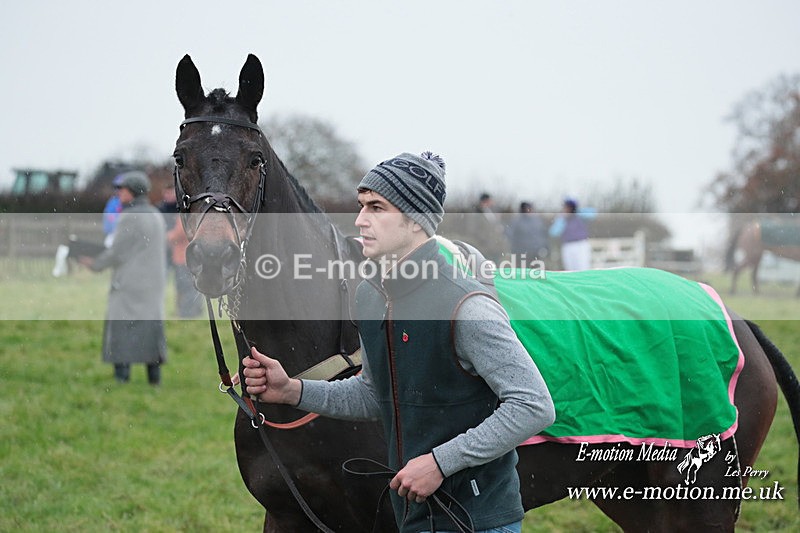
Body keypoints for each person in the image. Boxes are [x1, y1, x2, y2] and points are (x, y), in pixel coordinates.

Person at [241, 152, 555, 533]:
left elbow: (533, 405)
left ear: (415, 219)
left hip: (477, 520)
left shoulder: (466, 307)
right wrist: (292, 390)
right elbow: (374, 394)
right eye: (361, 206)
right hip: (413, 518)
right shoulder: (372, 297)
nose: (360, 221)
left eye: (377, 207)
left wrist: (440, 462)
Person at [78, 170, 168, 385]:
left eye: (122, 189)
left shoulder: (129, 216)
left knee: (121, 328)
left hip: (129, 283)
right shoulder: (155, 214)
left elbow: (117, 251)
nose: (119, 193)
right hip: (153, 283)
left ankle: (122, 378)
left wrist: (95, 264)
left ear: (133, 191)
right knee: (150, 328)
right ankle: (153, 379)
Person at [167, 215, 203, 318]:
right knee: (190, 287)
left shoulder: (185, 215)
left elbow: (180, 232)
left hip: (183, 258)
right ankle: (192, 311)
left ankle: (187, 312)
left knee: (186, 287)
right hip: (188, 257)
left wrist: (168, 236)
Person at [549, 197, 596, 271]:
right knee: (570, 269)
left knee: (583, 268)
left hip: (581, 245)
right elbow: (554, 232)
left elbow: (593, 214)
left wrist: (577, 212)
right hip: (567, 246)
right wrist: (562, 219)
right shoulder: (562, 218)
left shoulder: (581, 216)